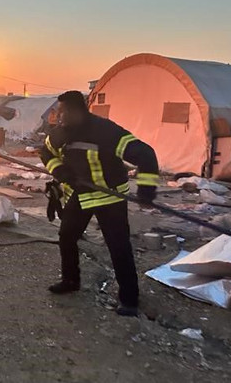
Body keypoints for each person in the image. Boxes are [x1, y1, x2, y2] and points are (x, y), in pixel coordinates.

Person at [40, 90, 159, 317]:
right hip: (82, 194)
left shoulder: (105, 131)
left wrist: (146, 191)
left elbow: (146, 154)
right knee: (66, 236)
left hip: (110, 196)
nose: (58, 116)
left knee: (118, 247)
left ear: (76, 111)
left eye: (62, 111)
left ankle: (129, 300)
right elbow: (45, 152)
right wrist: (61, 170)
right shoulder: (61, 133)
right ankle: (70, 280)